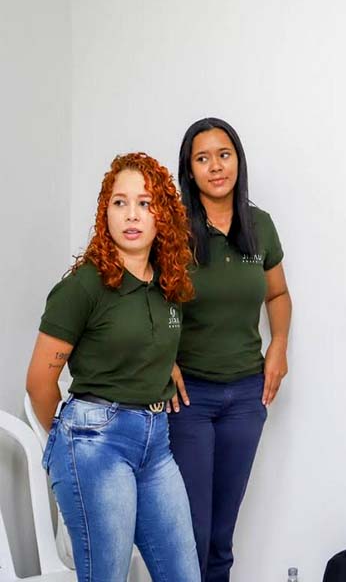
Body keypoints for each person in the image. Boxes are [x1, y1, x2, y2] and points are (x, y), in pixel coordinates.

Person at [26, 152, 200, 582]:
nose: (132, 215)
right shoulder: (84, 286)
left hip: (156, 445)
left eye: (144, 202)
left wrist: (165, 368)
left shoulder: (169, 284)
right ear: (105, 213)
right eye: (119, 202)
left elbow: (146, 341)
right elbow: (38, 383)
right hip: (95, 442)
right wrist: (74, 444)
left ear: (163, 213)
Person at [168, 117, 291, 582]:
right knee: (191, 533)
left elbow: (277, 295)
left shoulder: (259, 225)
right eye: (203, 158)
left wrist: (278, 345)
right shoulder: (172, 228)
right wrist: (165, 361)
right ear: (190, 169)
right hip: (188, 400)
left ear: (238, 160)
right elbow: (148, 301)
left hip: (245, 396)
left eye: (224, 155)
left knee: (222, 536)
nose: (216, 167)